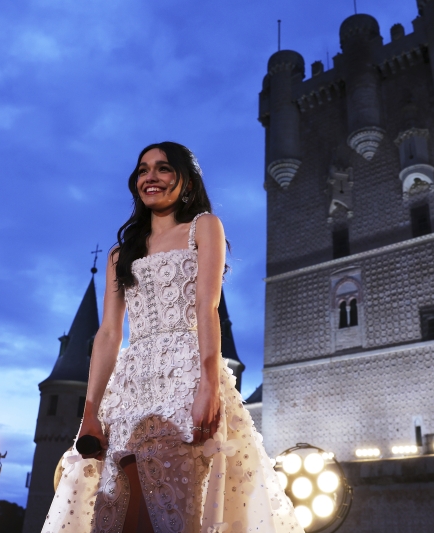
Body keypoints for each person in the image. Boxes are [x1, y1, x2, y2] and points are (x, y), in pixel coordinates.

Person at [43, 142, 303, 533]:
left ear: (185, 180)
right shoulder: (120, 253)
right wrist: (90, 413)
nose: (151, 176)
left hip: (186, 375)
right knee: (120, 502)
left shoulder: (204, 227)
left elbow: (206, 307)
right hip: (131, 384)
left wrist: (208, 385)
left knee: (172, 507)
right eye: (143, 169)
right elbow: (110, 334)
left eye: (163, 168)